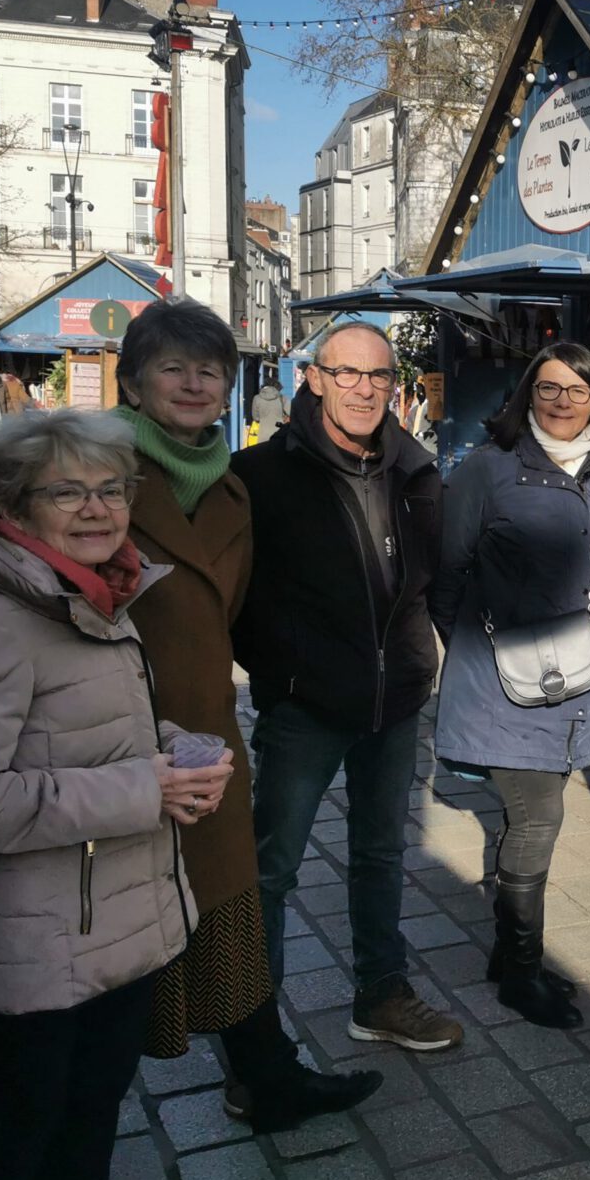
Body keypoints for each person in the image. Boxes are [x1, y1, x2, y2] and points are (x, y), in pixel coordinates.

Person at [0, 410, 231, 1180]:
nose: (96, 510)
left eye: (110, 489)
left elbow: (76, 732)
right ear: (16, 505)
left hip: (116, 922)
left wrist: (168, 750)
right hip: (39, 940)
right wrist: (147, 788)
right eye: (67, 492)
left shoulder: (96, 591)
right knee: (23, 1130)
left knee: (92, 1113)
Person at [116, 299, 381, 1130]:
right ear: (131, 381)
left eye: (210, 370)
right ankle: (68, 1134)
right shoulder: (94, 472)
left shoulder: (230, 485)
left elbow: (253, 609)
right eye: (173, 367)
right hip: (113, 741)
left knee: (227, 907)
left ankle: (267, 1077)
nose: (194, 384)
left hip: (206, 737)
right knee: (121, 930)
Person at [232, 322, 463, 1052]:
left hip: (394, 702)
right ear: (314, 378)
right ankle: (257, 1033)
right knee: (271, 869)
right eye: (348, 374)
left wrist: (437, 668)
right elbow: (231, 596)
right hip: (306, 705)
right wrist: (282, 670)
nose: (364, 389)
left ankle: (381, 994)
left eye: (379, 376)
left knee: (381, 853)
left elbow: (433, 583)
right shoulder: (262, 477)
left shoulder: (416, 472)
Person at [430, 344, 590, 1031]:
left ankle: (504, 956)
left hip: (574, 680)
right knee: (538, 819)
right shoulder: (489, 469)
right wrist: (480, 652)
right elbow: (447, 571)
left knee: (525, 820)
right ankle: (520, 971)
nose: (563, 401)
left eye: (579, 390)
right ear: (526, 395)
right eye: (549, 388)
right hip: (503, 679)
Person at [249, 368, 288, 444]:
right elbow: (291, 413)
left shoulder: (257, 398)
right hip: (279, 433)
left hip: (262, 434)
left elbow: (255, 418)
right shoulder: (282, 398)